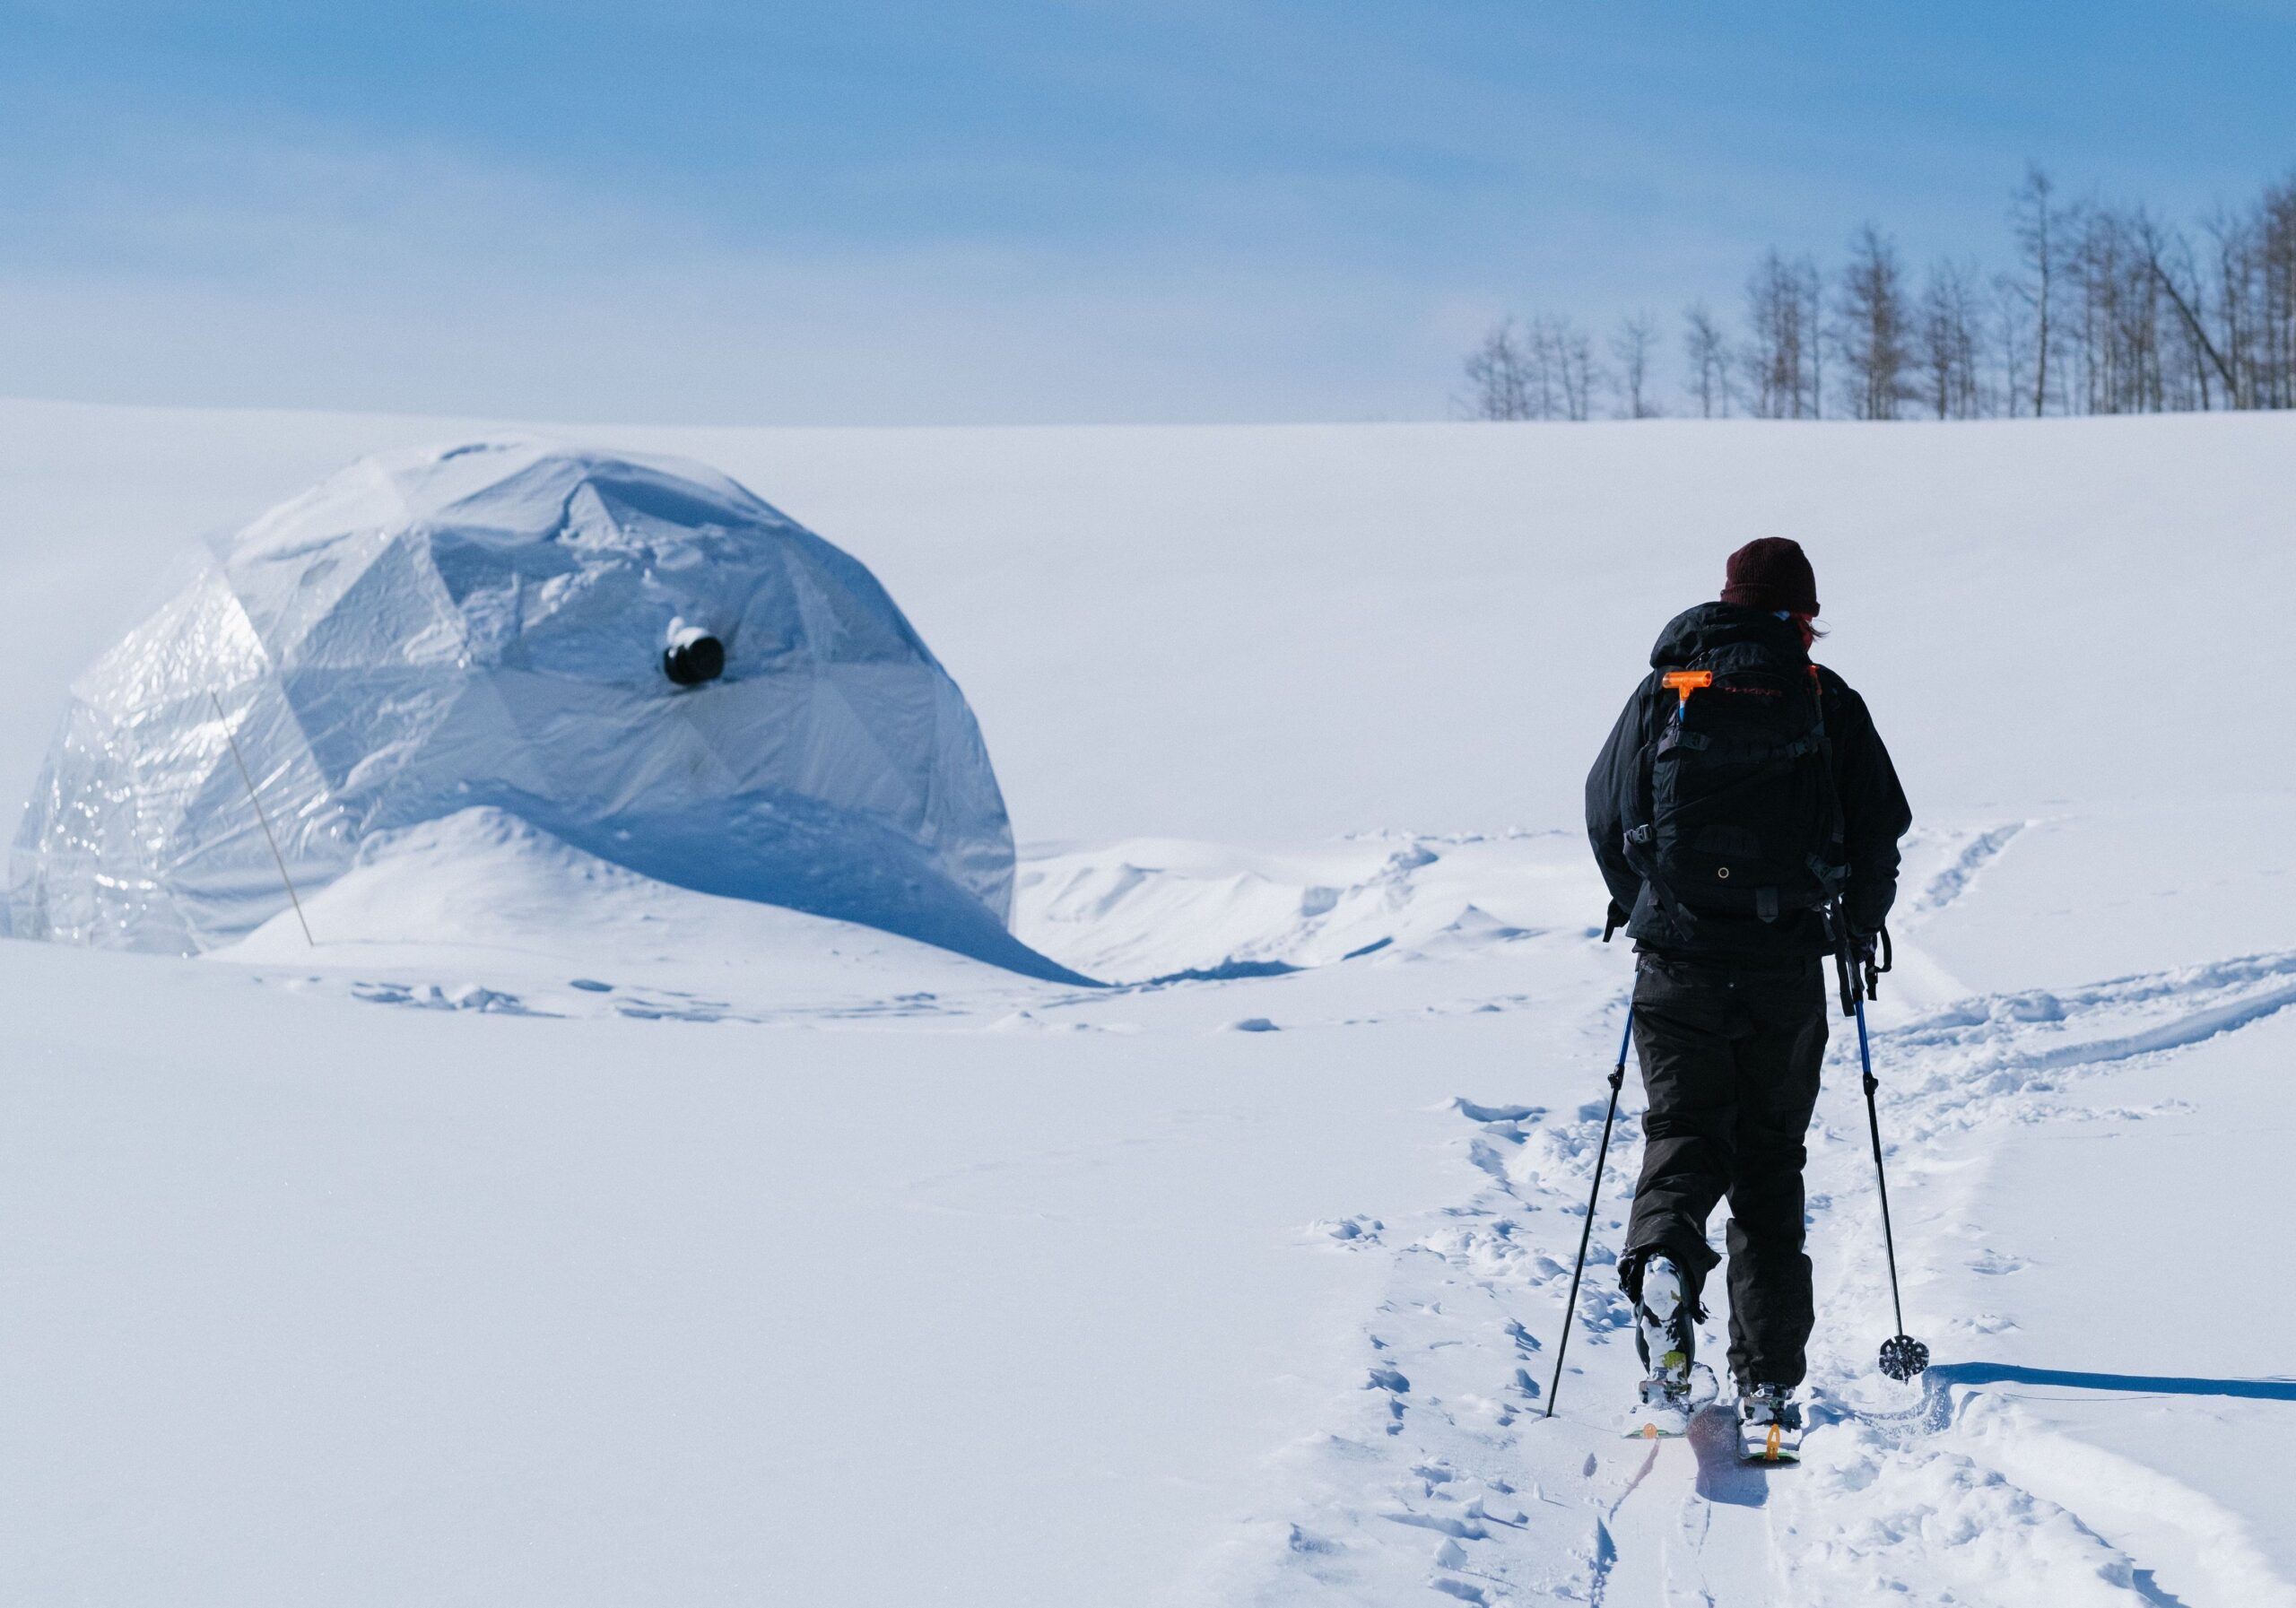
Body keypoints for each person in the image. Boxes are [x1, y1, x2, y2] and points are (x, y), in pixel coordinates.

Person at [1583, 537, 1909, 1443]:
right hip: (1781, 963)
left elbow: (1606, 809)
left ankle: (1661, 1264)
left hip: (1676, 958)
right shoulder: (1822, 697)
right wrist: (1854, 920)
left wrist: (1642, 901)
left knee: (1683, 1133)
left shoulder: (1667, 690)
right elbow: (1880, 825)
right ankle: (1766, 1380)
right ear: (1799, 613)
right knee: (1769, 1160)